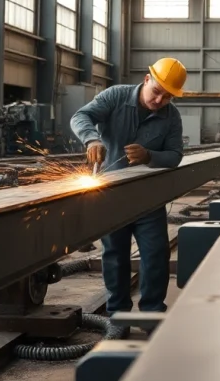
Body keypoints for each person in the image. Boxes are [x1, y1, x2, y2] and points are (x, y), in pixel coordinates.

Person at [70, 57, 187, 337]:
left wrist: (150, 156)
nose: (159, 100)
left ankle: (151, 315)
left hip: (148, 199)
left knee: (155, 255)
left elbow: (175, 156)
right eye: (156, 91)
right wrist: (91, 139)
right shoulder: (115, 96)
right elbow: (80, 116)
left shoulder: (172, 117)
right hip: (112, 196)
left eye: (167, 96)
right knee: (114, 256)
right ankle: (118, 316)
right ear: (146, 80)